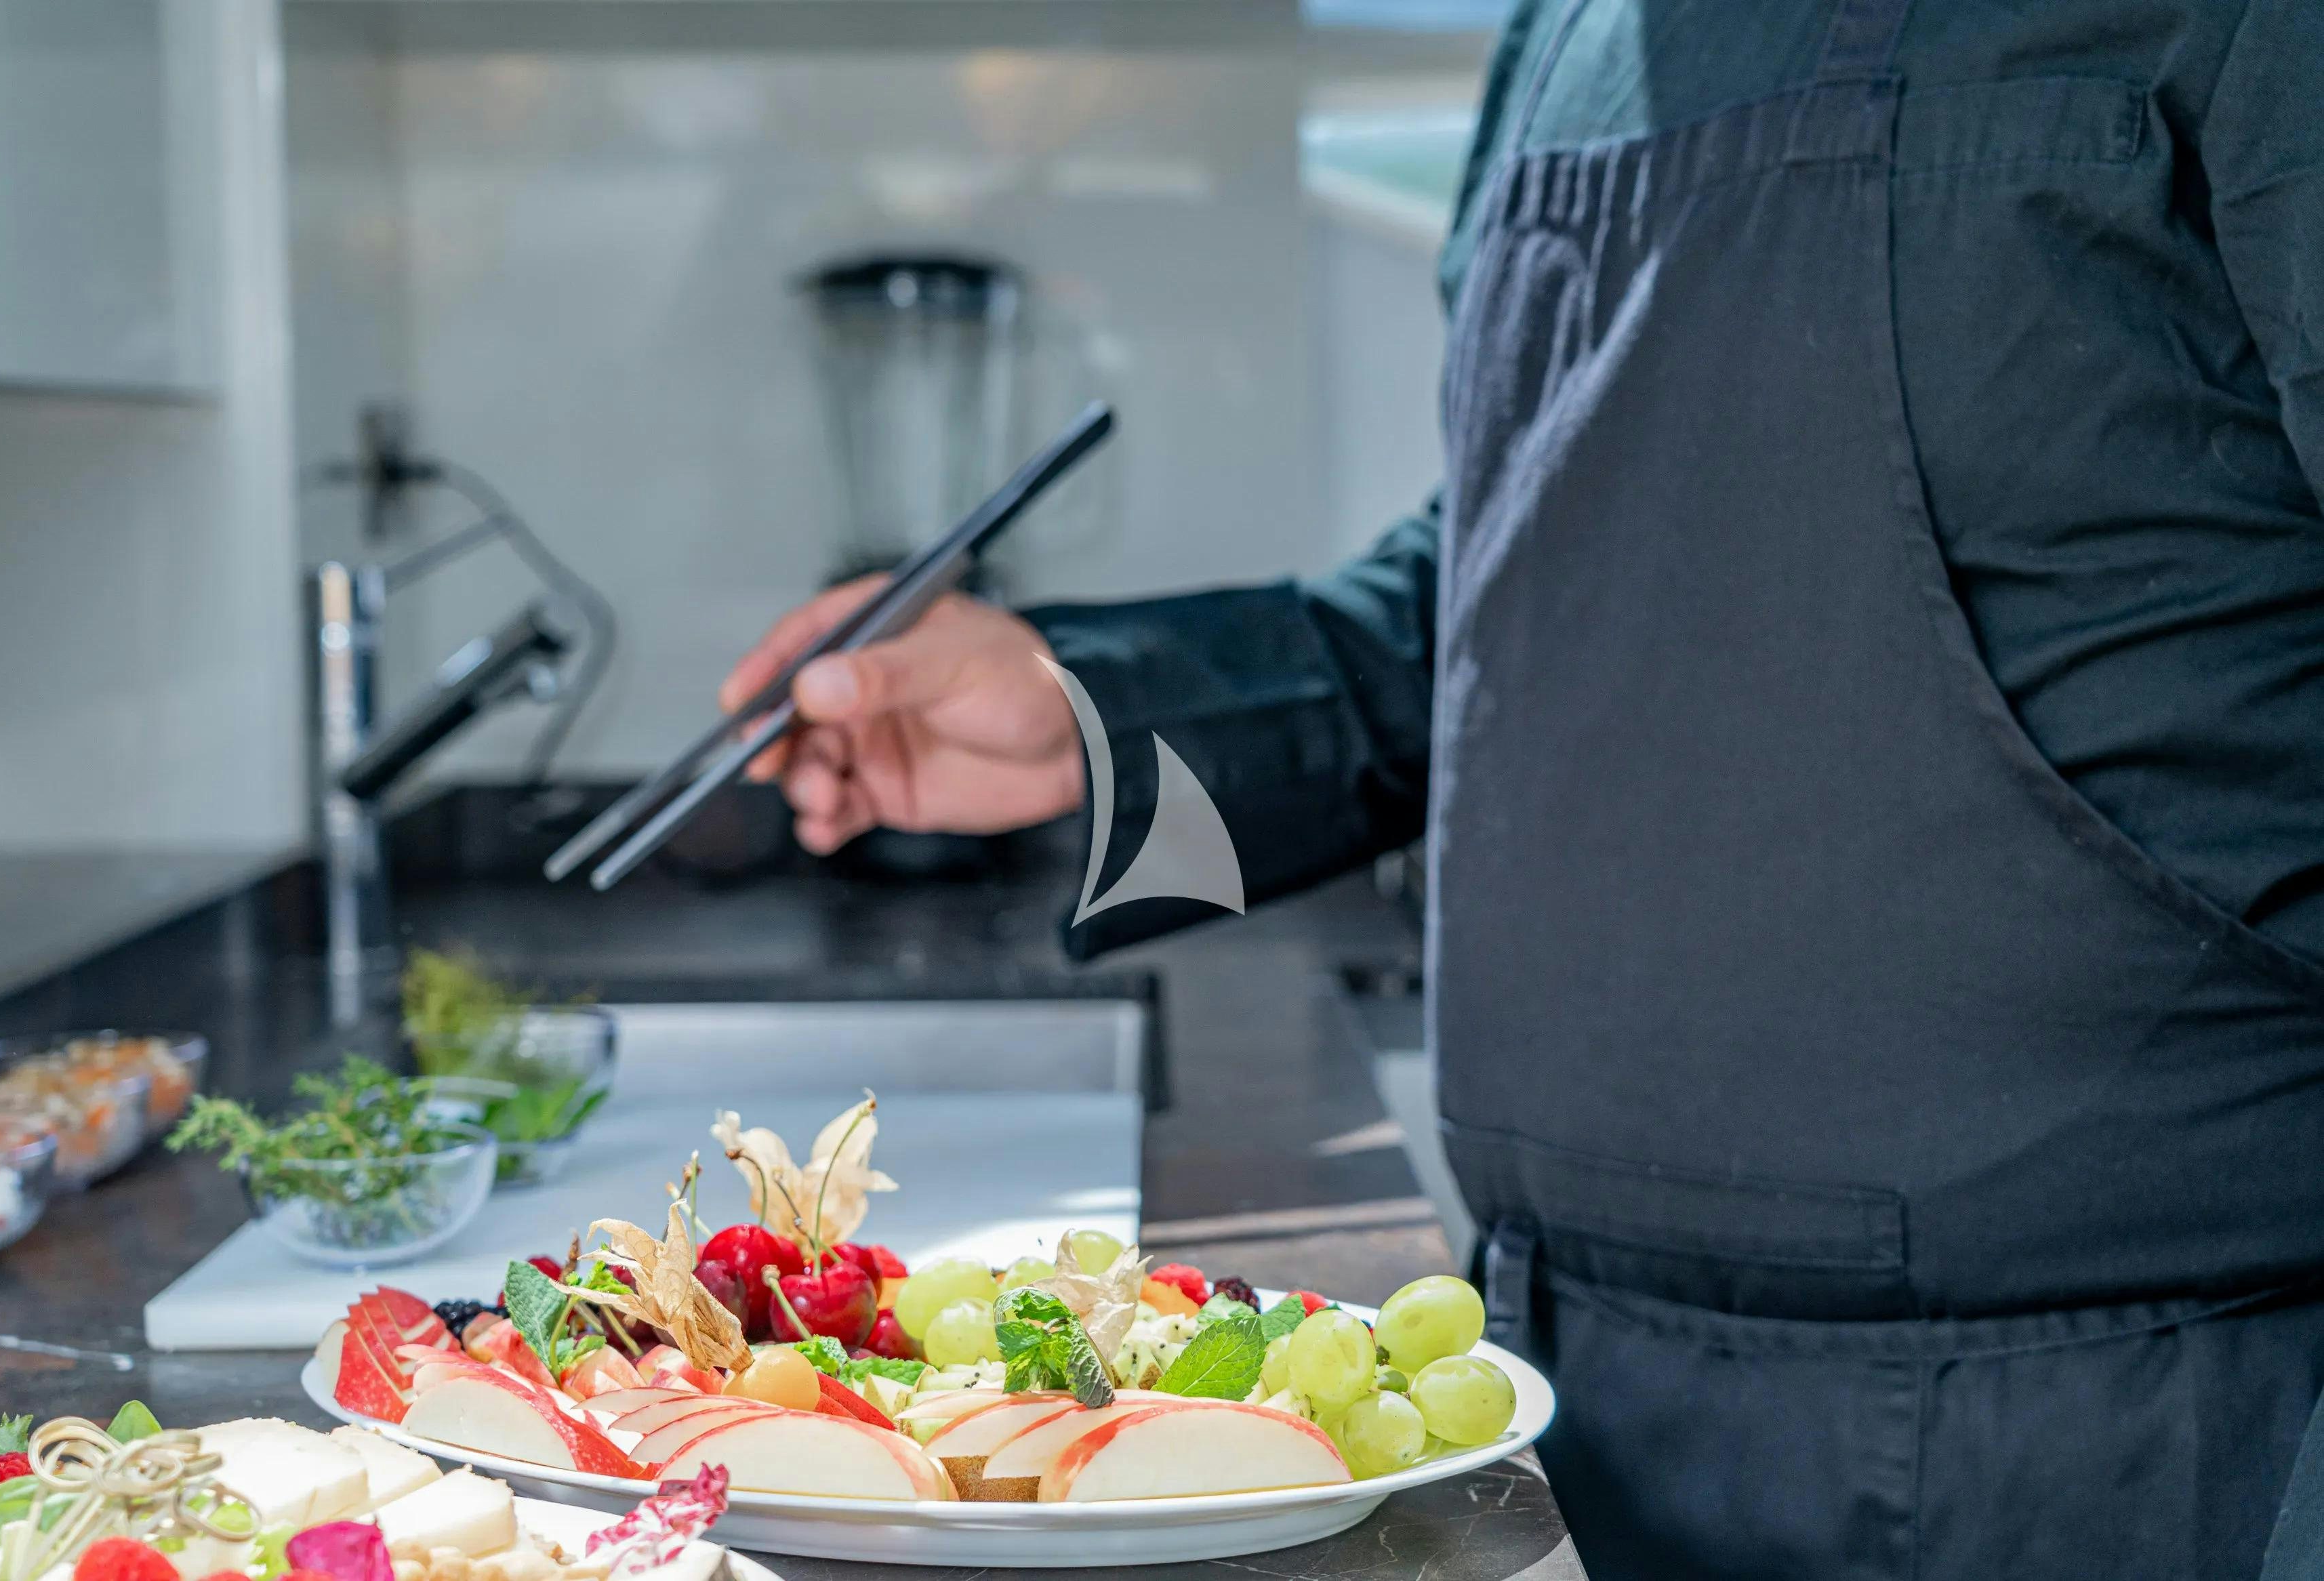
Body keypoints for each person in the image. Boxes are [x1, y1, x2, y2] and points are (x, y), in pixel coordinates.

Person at [722, 1, 2324, 1575]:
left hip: (2130, 1440)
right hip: (1564, 1405)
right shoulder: (1564, 35)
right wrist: (1089, 723)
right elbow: (1507, 588)